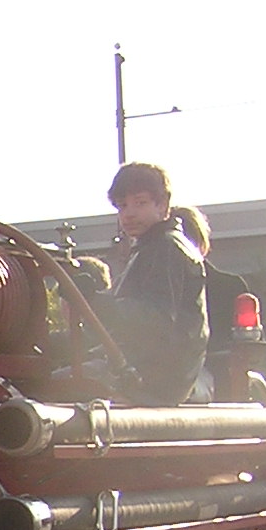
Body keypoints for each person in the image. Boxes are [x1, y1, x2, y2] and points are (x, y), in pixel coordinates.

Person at [102, 161, 209, 404]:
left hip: (153, 379)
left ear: (163, 205)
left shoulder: (165, 248)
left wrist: (99, 304)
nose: (129, 213)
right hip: (157, 373)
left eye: (140, 203)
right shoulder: (153, 247)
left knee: (46, 385)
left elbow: (156, 318)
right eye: (122, 206)